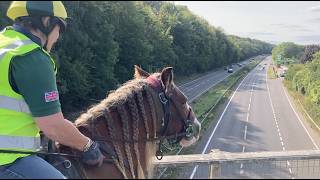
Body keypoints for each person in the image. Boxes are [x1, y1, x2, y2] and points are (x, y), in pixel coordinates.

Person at [0, 1, 104, 179]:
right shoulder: (31, 57)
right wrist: (88, 146)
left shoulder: (5, 45)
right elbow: (53, 127)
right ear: (47, 21)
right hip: (7, 159)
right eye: (60, 29)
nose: (58, 37)